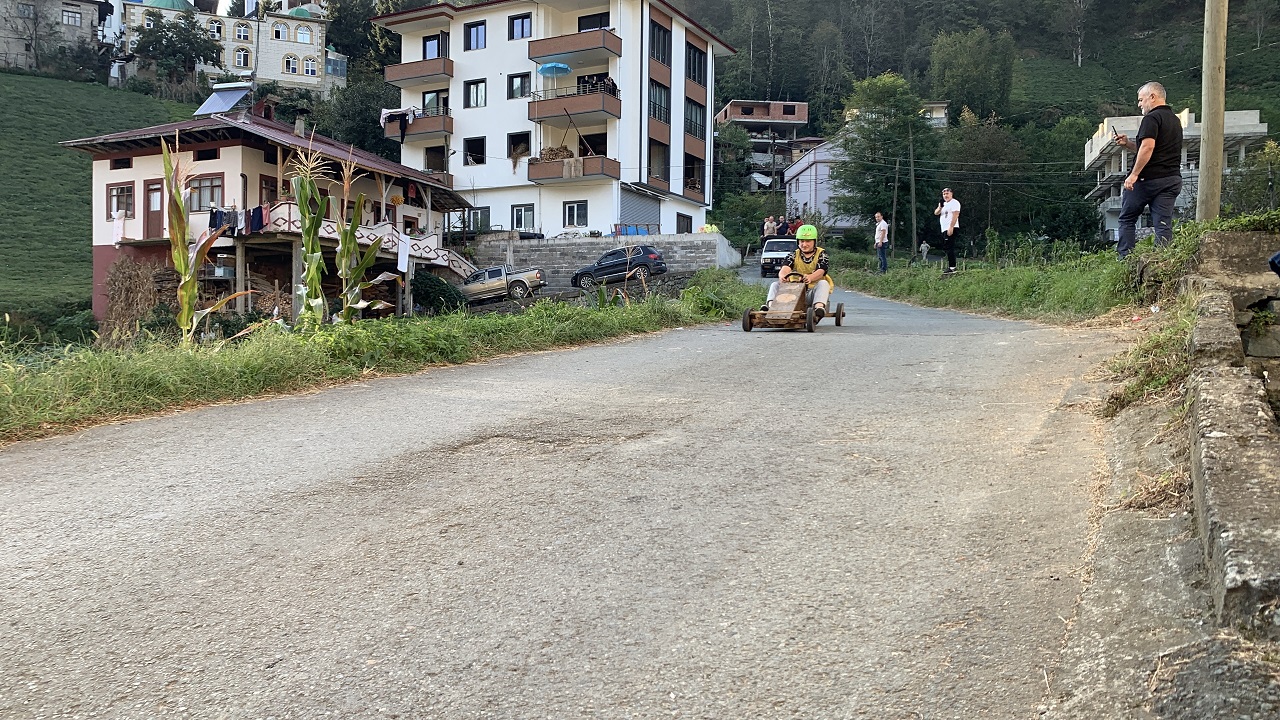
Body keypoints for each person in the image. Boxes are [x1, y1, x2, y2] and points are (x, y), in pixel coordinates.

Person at [1113, 81, 1184, 259]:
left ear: (1152, 97)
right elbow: (1155, 149)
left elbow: (1148, 148)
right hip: (1171, 179)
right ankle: (1163, 261)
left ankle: (1126, 261)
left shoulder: (1151, 118)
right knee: (1162, 223)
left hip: (1147, 179)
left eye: (1140, 100)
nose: (1139, 105)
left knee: (1127, 219)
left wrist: (1134, 175)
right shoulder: (1175, 120)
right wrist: (1128, 144)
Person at [762, 224, 833, 318]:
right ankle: (771, 307)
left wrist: (810, 277)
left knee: (823, 283)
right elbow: (785, 267)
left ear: (814, 242)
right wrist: (783, 276)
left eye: (808, 241)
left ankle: (818, 307)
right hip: (794, 291)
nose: (804, 244)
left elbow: (821, 270)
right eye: (802, 241)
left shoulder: (822, 254)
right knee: (775, 284)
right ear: (798, 242)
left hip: (812, 292)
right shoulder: (793, 255)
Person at [934, 187, 960, 273]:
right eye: (944, 194)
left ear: (951, 194)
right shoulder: (943, 204)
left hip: (951, 227)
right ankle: (950, 265)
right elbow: (936, 213)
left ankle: (952, 267)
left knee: (950, 247)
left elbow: (956, 214)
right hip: (944, 228)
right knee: (946, 247)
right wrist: (940, 207)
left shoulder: (954, 202)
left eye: (947, 193)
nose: (945, 195)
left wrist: (951, 227)